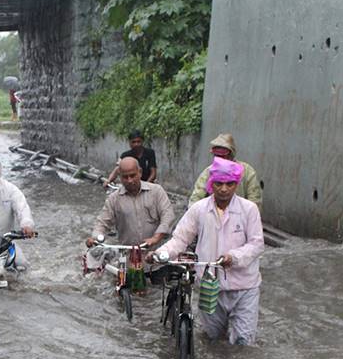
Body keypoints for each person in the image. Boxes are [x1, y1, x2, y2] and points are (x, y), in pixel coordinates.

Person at [152, 157, 264, 345]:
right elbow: (180, 239)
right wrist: (159, 254)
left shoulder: (249, 209)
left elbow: (256, 244)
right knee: (211, 339)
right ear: (212, 184)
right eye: (219, 183)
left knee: (243, 342)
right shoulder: (199, 209)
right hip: (209, 286)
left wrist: (233, 257)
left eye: (229, 184)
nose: (224, 188)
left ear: (236, 184)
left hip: (245, 287)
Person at [86, 156, 174, 250]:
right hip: (128, 253)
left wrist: (155, 238)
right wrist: (95, 237)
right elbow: (102, 222)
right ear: (119, 176)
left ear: (140, 172)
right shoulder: (114, 199)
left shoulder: (156, 191)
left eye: (132, 175)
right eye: (125, 177)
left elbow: (168, 215)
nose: (129, 180)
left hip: (157, 252)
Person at [188, 133, 262, 211]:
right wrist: (193, 216)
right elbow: (196, 197)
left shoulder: (247, 171)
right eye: (216, 155)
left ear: (231, 154)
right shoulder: (208, 172)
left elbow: (254, 200)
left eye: (222, 156)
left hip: (240, 218)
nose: (219, 159)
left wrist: (250, 218)